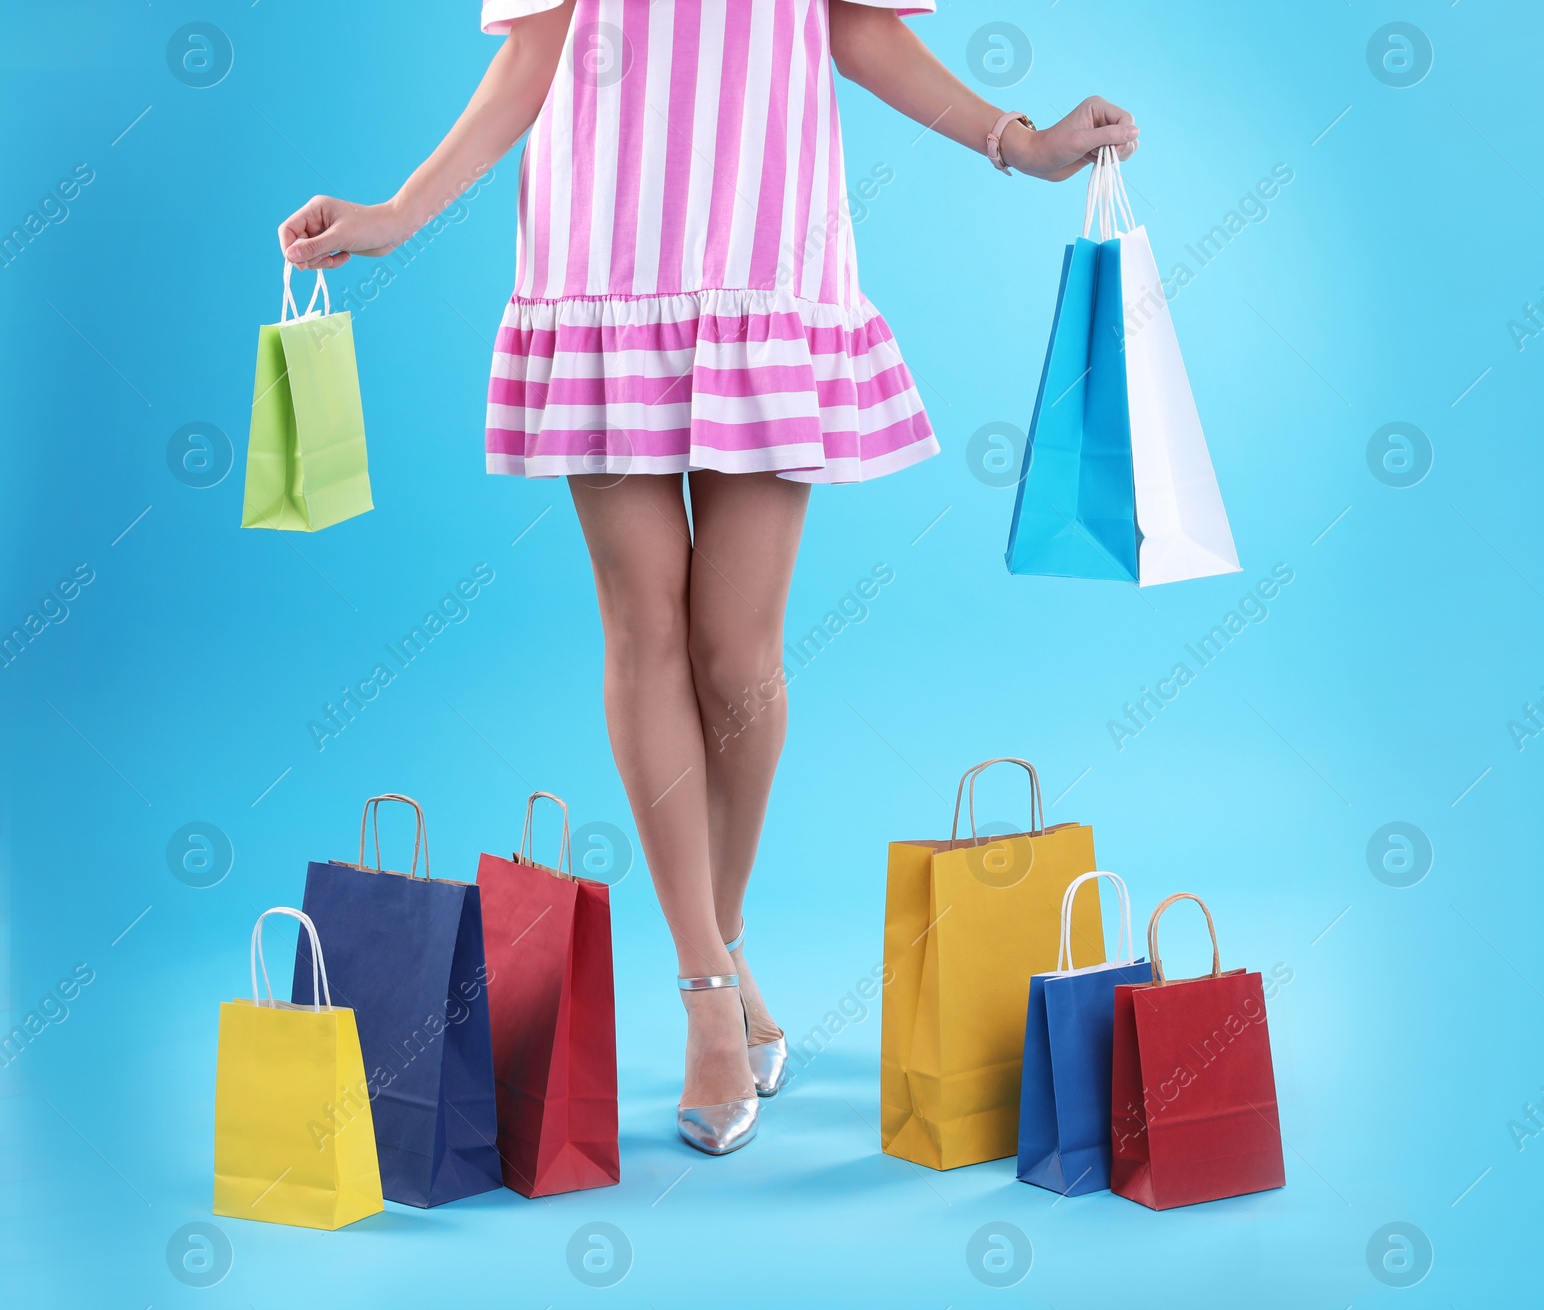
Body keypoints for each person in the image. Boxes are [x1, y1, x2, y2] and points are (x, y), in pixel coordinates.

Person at [279, 0, 1137, 1157]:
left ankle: (721, 940)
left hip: (770, 271)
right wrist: (396, 215)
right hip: (599, 276)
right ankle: (702, 988)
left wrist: (1018, 142)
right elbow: (530, 62)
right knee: (643, 627)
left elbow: (859, 31)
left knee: (738, 650)